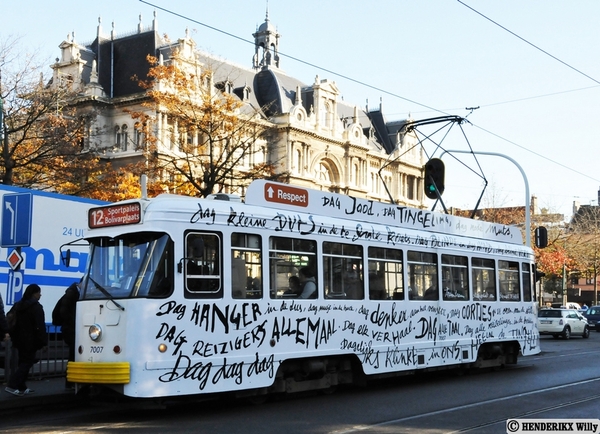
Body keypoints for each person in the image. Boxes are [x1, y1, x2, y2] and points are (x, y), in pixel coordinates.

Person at [5, 284, 48, 397]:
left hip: (18, 339)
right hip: (30, 340)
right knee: (27, 363)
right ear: (34, 293)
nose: (40, 295)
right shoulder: (36, 307)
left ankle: (22, 387)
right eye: (39, 293)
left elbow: (10, 317)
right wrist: (44, 342)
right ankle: (12, 384)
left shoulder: (18, 305)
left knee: (23, 361)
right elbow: (40, 326)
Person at [59, 280, 81, 388]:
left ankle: (70, 381)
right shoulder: (73, 294)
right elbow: (66, 313)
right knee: (73, 355)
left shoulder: (71, 293)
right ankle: (69, 381)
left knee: (73, 355)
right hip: (72, 329)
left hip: (71, 328)